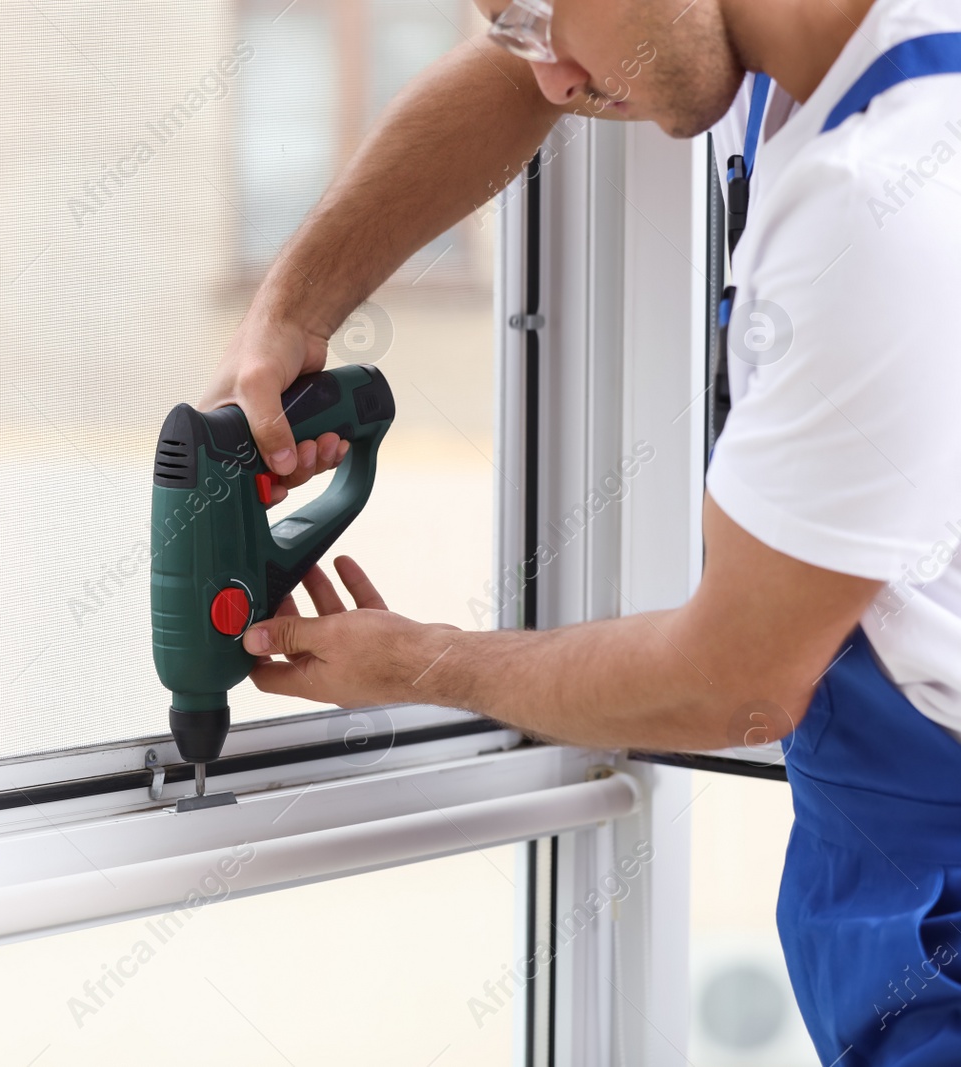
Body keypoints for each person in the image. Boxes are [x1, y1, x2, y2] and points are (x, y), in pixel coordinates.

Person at [204, 0, 961, 1061]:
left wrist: (425, 659)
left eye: (532, 12)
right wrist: (291, 310)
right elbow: (526, 77)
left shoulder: (886, 196)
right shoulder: (813, 45)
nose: (551, 77)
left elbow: (730, 681)